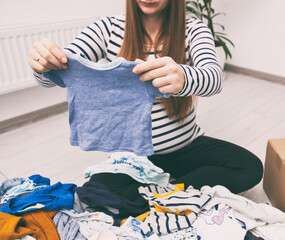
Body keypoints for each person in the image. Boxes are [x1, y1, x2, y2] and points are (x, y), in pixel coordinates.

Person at [28, 0, 263, 205]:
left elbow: (214, 77)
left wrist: (183, 77)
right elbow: (56, 73)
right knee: (94, 191)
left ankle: (164, 191)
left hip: (187, 146)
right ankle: (172, 192)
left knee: (250, 168)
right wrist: (43, 64)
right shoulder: (107, 28)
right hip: (133, 158)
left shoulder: (193, 29)